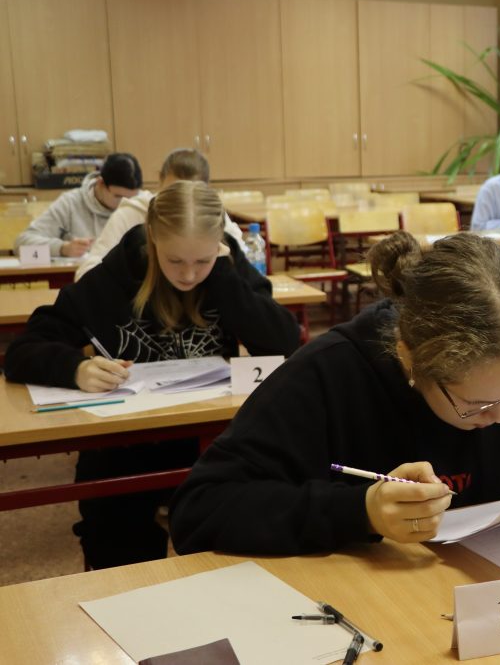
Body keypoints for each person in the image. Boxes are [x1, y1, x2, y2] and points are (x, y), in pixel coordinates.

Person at [169, 231, 500, 554]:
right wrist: (360, 510)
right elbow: (200, 509)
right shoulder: (328, 375)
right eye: (478, 405)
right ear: (410, 357)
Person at [5, 181, 300, 569]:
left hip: (211, 439)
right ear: (153, 239)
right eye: (174, 261)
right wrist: (75, 368)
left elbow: (283, 342)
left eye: (202, 261)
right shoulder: (116, 274)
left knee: (237, 543)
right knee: (119, 546)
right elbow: (23, 350)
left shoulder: (225, 269)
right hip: (126, 443)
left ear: (219, 246)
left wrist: (224, 277)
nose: (189, 274)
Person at [75, 148, 246, 280]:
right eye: (172, 191)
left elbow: (243, 264)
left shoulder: (212, 216)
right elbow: (86, 273)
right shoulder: (132, 213)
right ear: (160, 180)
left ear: (206, 190)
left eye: (192, 194)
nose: (179, 204)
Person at [14, 152, 145, 258]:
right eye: (118, 196)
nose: (126, 203)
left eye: (132, 198)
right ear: (100, 183)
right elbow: (22, 242)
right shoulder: (70, 203)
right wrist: (62, 248)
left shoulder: (142, 204)